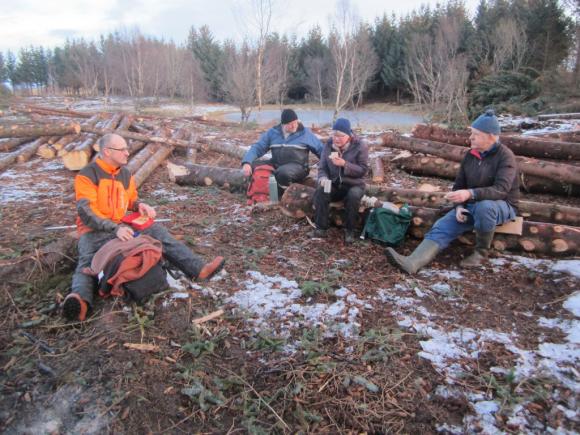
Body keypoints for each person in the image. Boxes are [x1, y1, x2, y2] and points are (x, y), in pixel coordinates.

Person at [63, 133, 225, 321]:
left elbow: (131, 200)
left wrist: (140, 206)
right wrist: (115, 229)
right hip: (95, 229)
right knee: (87, 263)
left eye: (127, 148)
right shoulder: (87, 175)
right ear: (107, 151)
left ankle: (198, 269)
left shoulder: (124, 173)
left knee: (158, 232)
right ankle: (80, 300)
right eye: (122, 149)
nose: (127, 152)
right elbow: (86, 212)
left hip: (121, 225)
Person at [385, 110, 519, 274]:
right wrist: (459, 206)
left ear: (491, 136)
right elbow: (459, 186)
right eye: (471, 133)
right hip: (472, 205)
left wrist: (469, 194)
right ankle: (412, 263)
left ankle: (481, 253)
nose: (471, 137)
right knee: (442, 225)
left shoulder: (505, 156)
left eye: (475, 134)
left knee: (485, 207)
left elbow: (501, 190)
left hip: (501, 206)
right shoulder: (470, 156)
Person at [311, 118, 369, 244]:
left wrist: (345, 164)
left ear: (348, 135)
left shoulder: (360, 146)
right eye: (334, 135)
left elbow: (363, 170)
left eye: (340, 136)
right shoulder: (329, 145)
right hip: (335, 184)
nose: (336, 139)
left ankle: (350, 230)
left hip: (355, 184)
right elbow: (322, 167)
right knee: (321, 190)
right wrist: (323, 178)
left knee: (353, 196)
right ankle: (321, 228)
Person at [241, 109, 323, 195]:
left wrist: (329, 165)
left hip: (298, 167)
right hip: (276, 164)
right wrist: (247, 162)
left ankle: (283, 196)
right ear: (283, 124)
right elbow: (258, 147)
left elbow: (321, 150)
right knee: (253, 165)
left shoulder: (305, 133)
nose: (294, 126)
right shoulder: (273, 133)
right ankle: (259, 192)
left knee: (283, 173)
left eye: (295, 122)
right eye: (290, 124)